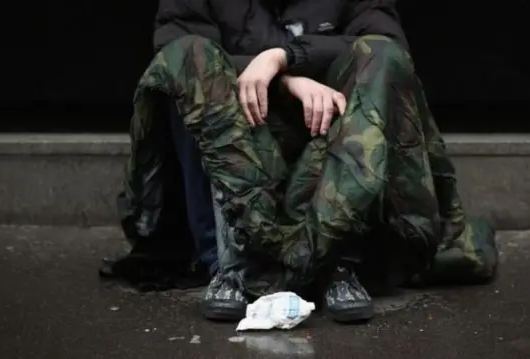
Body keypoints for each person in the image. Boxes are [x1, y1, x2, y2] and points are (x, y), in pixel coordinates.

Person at [119, 0, 498, 324]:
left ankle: (338, 260)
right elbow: (173, 44)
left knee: (381, 59)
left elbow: (388, 40)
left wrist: (287, 56)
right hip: (239, 134)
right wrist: (285, 79)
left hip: (327, 131)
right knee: (186, 58)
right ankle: (231, 265)